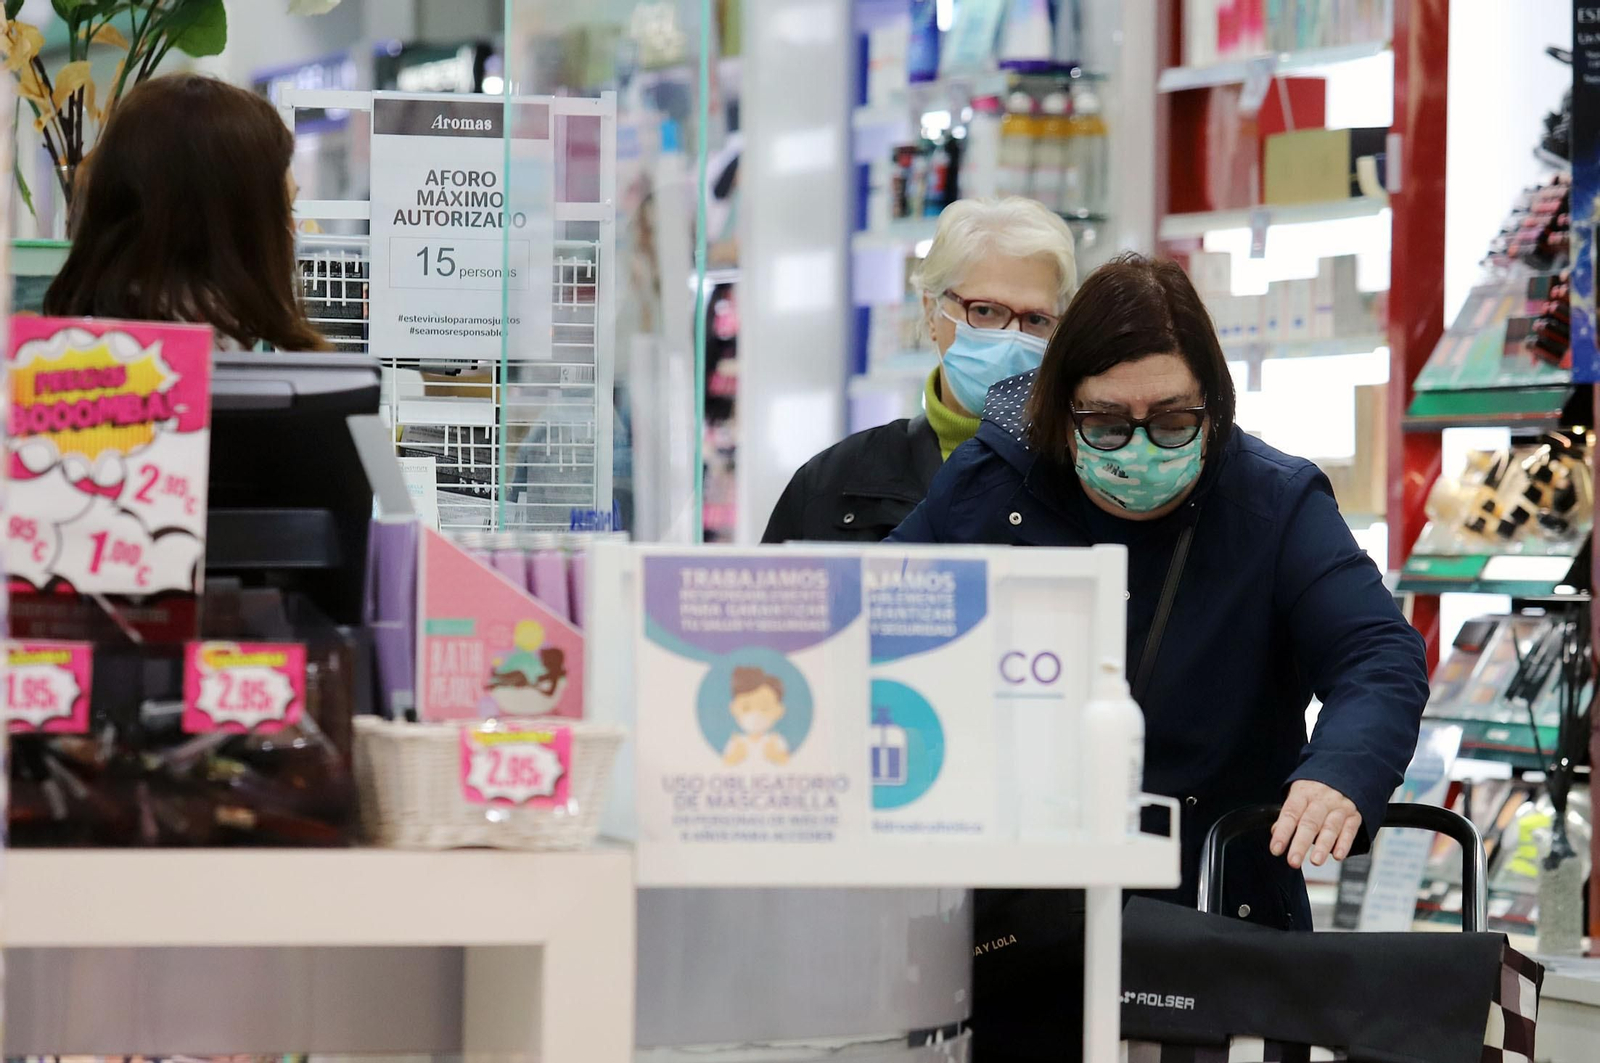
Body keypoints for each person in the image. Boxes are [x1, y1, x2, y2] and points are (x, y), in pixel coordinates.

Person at [889, 254, 1428, 1060]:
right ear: (1057, 407)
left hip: (1213, 925)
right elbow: (880, 623)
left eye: (1173, 420)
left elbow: (1378, 652)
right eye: (1106, 422)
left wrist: (1339, 770)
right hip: (1018, 939)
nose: (1139, 447)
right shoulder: (987, 488)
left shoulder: (1273, 503)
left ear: (1215, 406)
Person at [762, 196, 1078, 542]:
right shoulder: (833, 484)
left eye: (1036, 319)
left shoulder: (1085, 479)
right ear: (931, 312)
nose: (1011, 339)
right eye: (985, 311)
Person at [44, 74, 327, 351]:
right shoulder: (200, 357)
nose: (292, 226)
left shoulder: (78, 348)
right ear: (229, 220)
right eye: (284, 208)